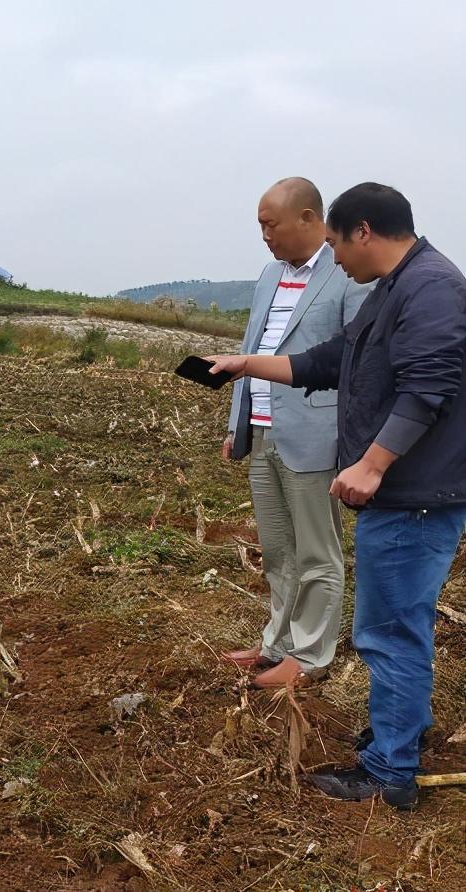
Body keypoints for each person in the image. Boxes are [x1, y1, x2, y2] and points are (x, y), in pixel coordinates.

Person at [208, 182, 466, 809]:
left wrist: (373, 465)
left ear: (364, 232)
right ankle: (396, 735)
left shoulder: (432, 289)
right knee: (393, 626)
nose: (334, 257)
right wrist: (249, 366)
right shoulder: (394, 290)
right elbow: (329, 361)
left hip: (415, 496)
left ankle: (389, 773)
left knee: (390, 631)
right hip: (404, 495)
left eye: (335, 242)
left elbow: (427, 389)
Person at [222, 178, 368, 688]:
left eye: (271, 224)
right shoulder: (269, 274)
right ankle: (276, 645)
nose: (264, 234)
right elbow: (252, 344)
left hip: (314, 436)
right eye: (260, 225)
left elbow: (352, 363)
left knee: (317, 552)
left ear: (308, 218)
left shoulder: (348, 274)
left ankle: (309, 657)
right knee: (279, 550)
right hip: (264, 432)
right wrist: (237, 421)